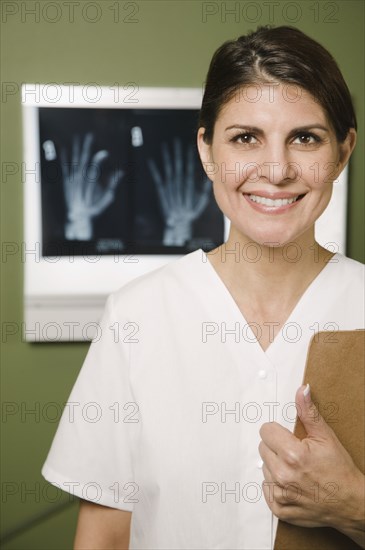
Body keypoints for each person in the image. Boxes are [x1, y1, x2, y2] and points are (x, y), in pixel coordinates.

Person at [42, 25, 365, 549]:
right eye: (245, 138)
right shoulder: (138, 316)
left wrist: (353, 504)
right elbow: (103, 536)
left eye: (305, 137)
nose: (276, 170)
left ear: (343, 151)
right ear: (207, 150)